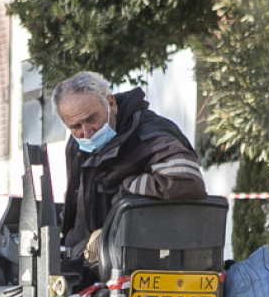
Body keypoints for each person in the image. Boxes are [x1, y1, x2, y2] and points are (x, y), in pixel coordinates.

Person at [54, 71, 206, 278]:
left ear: (111, 104)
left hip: (147, 266)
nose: (87, 132)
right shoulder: (77, 145)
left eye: (92, 119)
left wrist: (127, 188)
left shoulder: (150, 134)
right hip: (90, 266)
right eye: (76, 126)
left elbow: (188, 183)